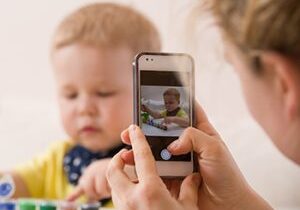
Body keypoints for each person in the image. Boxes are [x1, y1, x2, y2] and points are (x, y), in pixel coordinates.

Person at [106, 0, 300, 209]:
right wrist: (236, 203)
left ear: (282, 83)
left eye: (235, 69)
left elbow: (171, 118)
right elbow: (158, 114)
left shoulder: (179, 114)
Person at [0, 2, 161, 206]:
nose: (84, 108)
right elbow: (11, 183)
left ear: (145, 95)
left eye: (104, 93)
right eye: (70, 95)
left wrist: (125, 170)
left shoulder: (160, 169)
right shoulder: (56, 159)